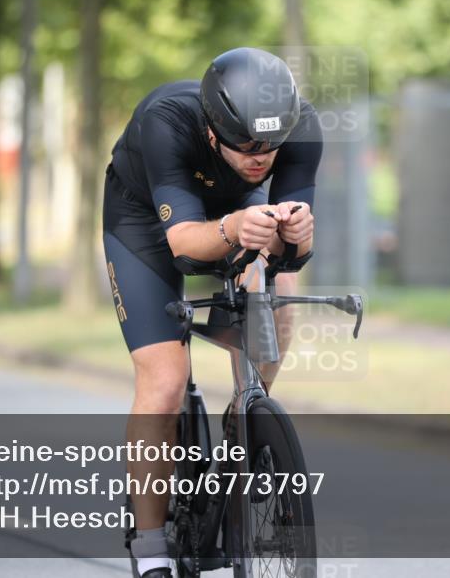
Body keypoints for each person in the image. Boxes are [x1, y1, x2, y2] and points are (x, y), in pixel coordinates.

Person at [102, 47, 322, 578]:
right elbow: (181, 243)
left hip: (235, 211)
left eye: (270, 145)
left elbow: (289, 248)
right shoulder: (167, 123)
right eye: (245, 143)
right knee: (166, 378)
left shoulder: (299, 127)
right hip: (145, 223)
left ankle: (247, 414)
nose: (260, 155)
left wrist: (295, 236)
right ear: (212, 131)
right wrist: (233, 228)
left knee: (279, 284)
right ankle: (151, 548)